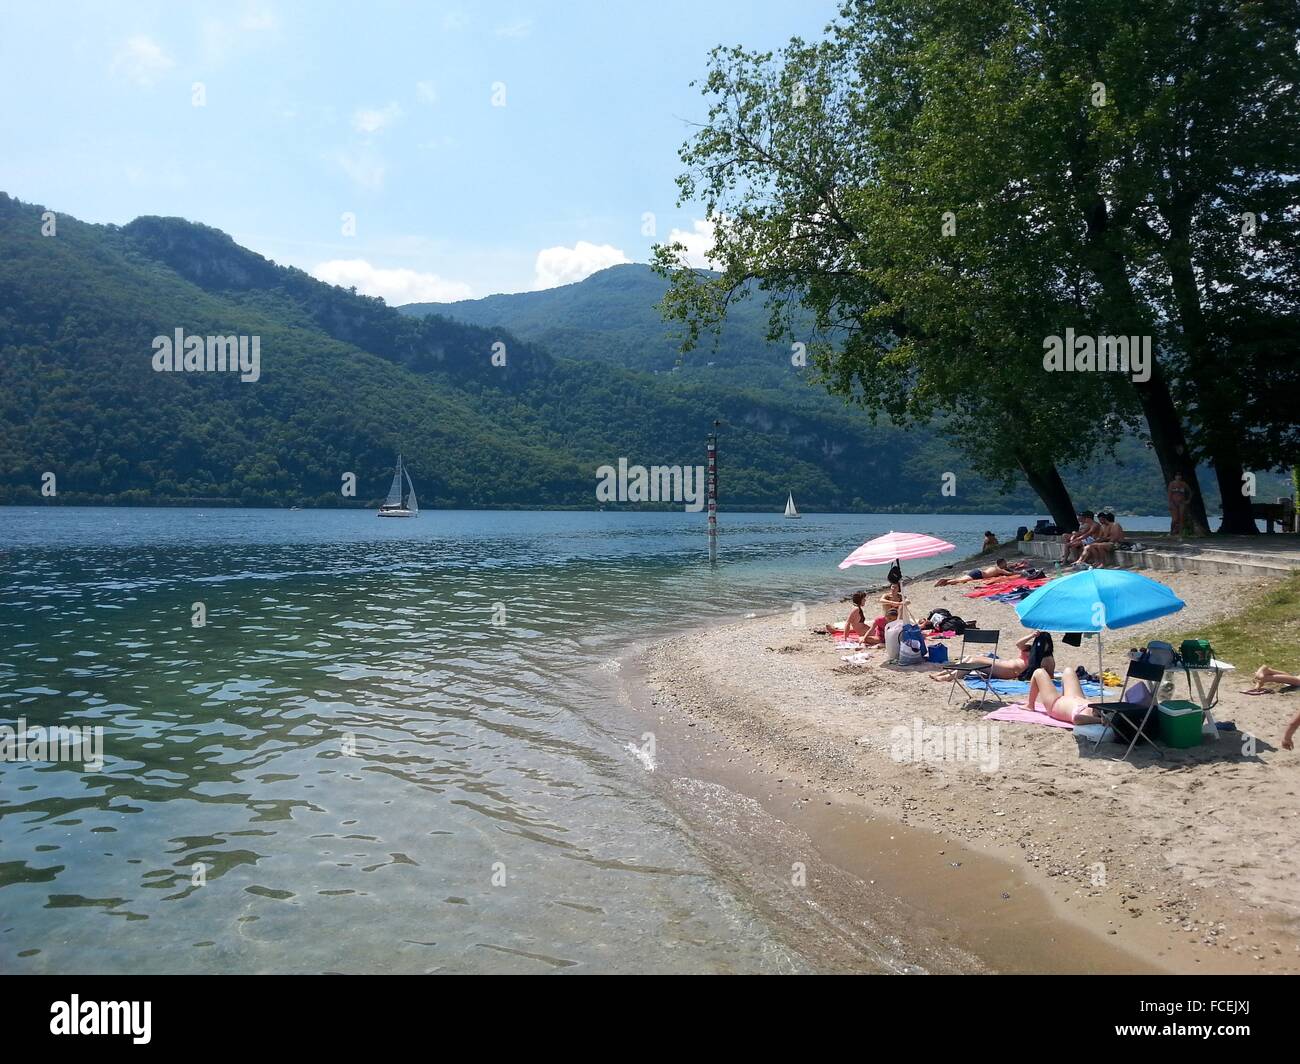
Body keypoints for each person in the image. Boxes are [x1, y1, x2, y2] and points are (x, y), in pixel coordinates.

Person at [929, 632, 1054, 683]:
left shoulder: (1047, 659)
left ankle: (948, 677)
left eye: (1044, 643)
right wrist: (1032, 635)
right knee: (971, 657)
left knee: (974, 660)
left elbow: (1050, 677)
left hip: (1009, 671)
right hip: (1006, 664)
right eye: (1040, 642)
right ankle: (946, 672)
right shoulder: (1030, 649)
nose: (1042, 646)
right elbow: (1018, 644)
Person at [1024, 666, 1106, 725]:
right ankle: (1064, 696)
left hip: (1055, 704)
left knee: (1038, 672)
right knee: (1069, 671)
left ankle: (1030, 705)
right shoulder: (1097, 710)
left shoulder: (1087, 716)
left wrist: (1099, 720)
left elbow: (1077, 719)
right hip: (1074, 697)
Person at [934, 558, 1016, 586]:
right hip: (978, 574)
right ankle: (946, 582)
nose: (1006, 564)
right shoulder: (999, 569)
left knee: (961, 579)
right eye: (1005, 563)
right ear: (1001, 564)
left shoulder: (994, 567)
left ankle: (945, 580)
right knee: (961, 580)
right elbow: (1010, 574)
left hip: (977, 572)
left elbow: (1007, 568)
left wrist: (1011, 566)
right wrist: (1015, 571)